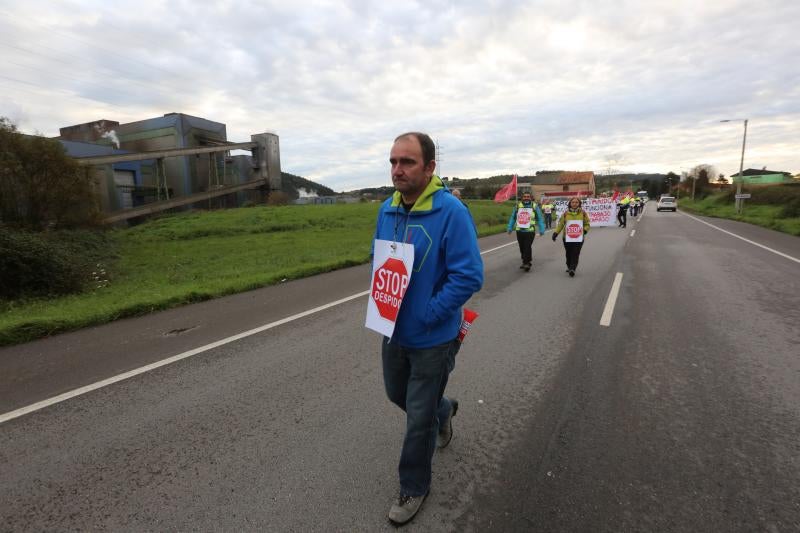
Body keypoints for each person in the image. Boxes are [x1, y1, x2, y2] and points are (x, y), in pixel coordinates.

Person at [373, 132, 483, 525]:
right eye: (393, 162)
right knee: (396, 394)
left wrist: (430, 313)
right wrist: (382, 299)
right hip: (394, 331)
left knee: (417, 418)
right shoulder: (387, 209)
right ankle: (445, 409)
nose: (397, 169)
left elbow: (469, 275)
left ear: (430, 167)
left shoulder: (451, 212)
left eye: (407, 162)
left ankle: (413, 486)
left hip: (434, 337)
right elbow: (380, 256)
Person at [506, 191, 545, 271]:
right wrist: (510, 228)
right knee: (522, 248)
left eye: (528, 196)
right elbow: (513, 218)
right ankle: (526, 261)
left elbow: (539, 218)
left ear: (530, 198)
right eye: (525, 196)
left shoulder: (534, 206)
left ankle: (526, 263)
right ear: (522, 198)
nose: (526, 198)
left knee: (527, 246)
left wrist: (542, 229)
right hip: (519, 231)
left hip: (530, 231)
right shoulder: (518, 206)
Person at [552, 197, 590, 277]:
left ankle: (573, 268)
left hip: (579, 238)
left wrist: (585, 230)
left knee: (576, 253)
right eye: (573, 202)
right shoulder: (565, 214)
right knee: (568, 253)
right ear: (570, 204)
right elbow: (560, 225)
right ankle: (569, 265)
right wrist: (555, 233)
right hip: (567, 238)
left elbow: (587, 224)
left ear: (579, 204)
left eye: (576, 202)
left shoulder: (583, 213)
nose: (574, 204)